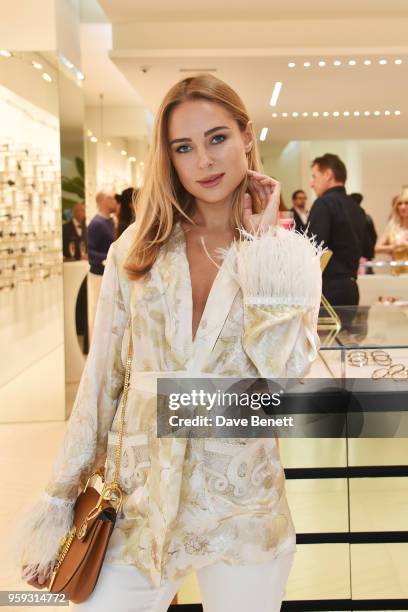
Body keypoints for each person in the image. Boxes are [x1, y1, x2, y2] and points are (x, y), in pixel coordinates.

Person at [14, 74, 322, 612]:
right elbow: (102, 382)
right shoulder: (137, 250)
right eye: (185, 147)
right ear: (169, 157)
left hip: (241, 510)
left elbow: (284, 381)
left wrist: (258, 251)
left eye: (217, 138)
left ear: (247, 135)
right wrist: (60, 496)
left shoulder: (286, 256)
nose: (204, 160)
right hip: (137, 507)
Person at [307, 153, 371, 311]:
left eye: (314, 177)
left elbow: (314, 249)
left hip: (328, 289)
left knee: (325, 336)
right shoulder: (357, 208)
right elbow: (368, 248)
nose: (312, 183)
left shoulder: (323, 204)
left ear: (328, 175)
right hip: (352, 288)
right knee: (346, 335)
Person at [87, 191, 117, 335]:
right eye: (111, 198)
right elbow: (90, 252)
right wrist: (109, 257)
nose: (114, 201)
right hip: (99, 275)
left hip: (107, 274)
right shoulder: (96, 224)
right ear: (103, 201)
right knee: (99, 313)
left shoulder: (110, 221)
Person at [375, 192, 408, 274]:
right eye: (400, 204)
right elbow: (376, 248)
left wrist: (405, 244)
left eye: (407, 203)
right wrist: (392, 247)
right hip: (396, 272)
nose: (403, 207)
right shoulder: (391, 227)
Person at [350, 193, 378, 275]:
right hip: (365, 256)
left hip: (356, 257)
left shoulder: (351, 218)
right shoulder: (366, 217)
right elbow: (374, 237)